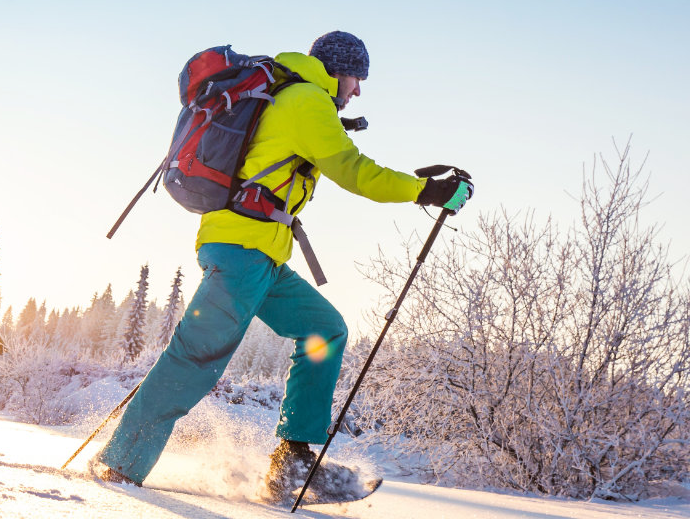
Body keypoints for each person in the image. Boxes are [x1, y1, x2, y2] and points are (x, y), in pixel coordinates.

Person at [93, 31, 474, 501]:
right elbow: (354, 170)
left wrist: (416, 186)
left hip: (263, 255)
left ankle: (291, 461)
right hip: (241, 252)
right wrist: (424, 191)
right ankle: (118, 468)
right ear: (336, 70)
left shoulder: (299, 99)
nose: (357, 90)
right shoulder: (305, 100)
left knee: (324, 329)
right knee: (193, 361)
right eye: (356, 78)